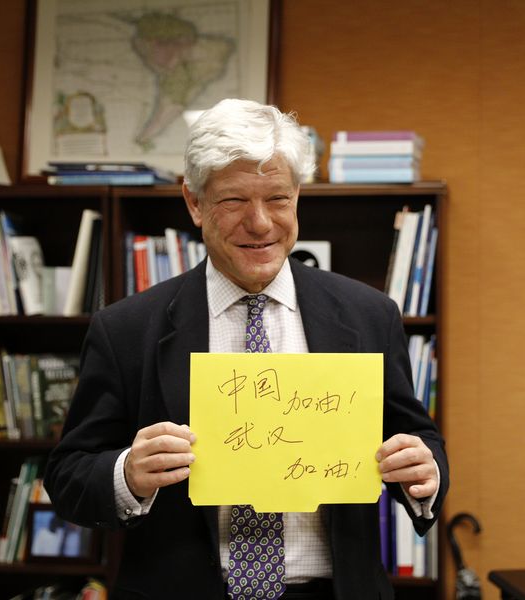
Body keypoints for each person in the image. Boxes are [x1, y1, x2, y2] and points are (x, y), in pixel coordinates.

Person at [44, 98, 450, 600]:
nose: (260, 224)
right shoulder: (126, 329)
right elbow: (68, 475)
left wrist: (425, 470)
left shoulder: (369, 315)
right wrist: (127, 474)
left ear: (297, 197)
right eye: (234, 201)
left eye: (277, 198)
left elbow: (419, 438)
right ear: (194, 202)